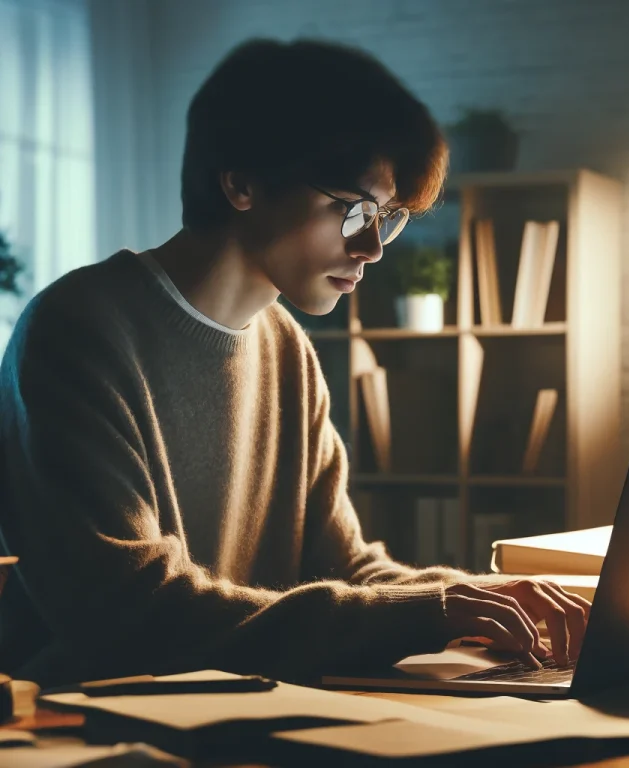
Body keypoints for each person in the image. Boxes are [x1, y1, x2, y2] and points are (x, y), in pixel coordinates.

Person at [0, 38, 589, 689]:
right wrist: (434, 612)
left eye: (386, 217)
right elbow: (130, 613)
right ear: (242, 183)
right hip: (84, 724)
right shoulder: (77, 330)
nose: (371, 247)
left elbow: (345, 570)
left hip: (244, 709)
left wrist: (497, 596)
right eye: (351, 209)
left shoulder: (287, 348)